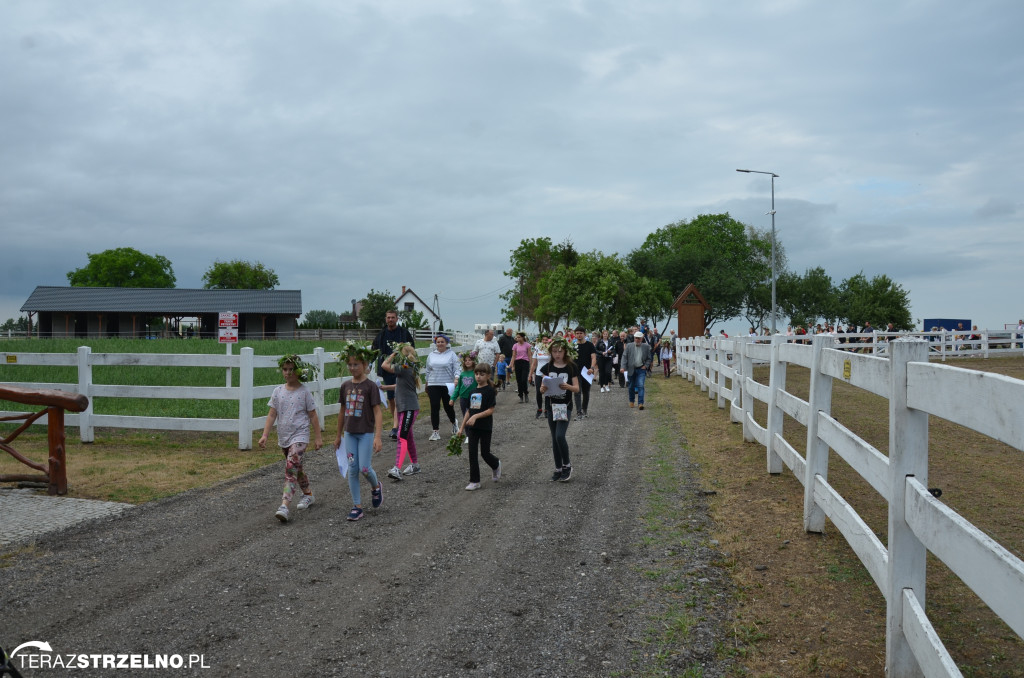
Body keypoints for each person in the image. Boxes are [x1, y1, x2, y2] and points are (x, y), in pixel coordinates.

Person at [259, 354, 323, 523]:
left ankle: (284, 505)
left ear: (299, 371)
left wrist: (318, 437)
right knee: (297, 468)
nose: (287, 373)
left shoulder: (304, 392)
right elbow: (272, 414)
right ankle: (308, 494)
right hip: (284, 437)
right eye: (285, 369)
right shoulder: (278, 391)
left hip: (300, 435)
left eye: (291, 369)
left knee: (290, 468)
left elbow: (313, 416)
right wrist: (265, 435)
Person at [335, 343, 384, 522]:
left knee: (364, 468)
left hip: (365, 433)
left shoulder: (370, 387)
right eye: (350, 364)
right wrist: (337, 435)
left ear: (364, 365)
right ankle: (357, 506)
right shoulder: (345, 386)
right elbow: (342, 411)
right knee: (353, 469)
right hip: (350, 433)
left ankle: (376, 486)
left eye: (356, 364)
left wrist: (378, 437)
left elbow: (378, 412)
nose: (352, 367)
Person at [539, 337, 580, 482]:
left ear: (565, 352)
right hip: (551, 406)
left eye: (560, 351)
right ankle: (558, 467)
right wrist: (542, 389)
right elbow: (542, 387)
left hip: (565, 406)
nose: (557, 354)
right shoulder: (547, 368)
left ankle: (567, 465)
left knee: (560, 436)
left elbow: (576, 388)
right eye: (554, 351)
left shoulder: (571, 367)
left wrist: (567, 387)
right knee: (554, 438)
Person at [380, 343, 421, 480]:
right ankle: (415, 465)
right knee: (407, 436)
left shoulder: (404, 367)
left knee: (401, 436)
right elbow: (400, 385)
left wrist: (393, 355)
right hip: (404, 407)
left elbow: (384, 365)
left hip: (409, 407)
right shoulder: (408, 368)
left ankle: (397, 468)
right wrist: (384, 387)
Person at [371, 310, 414, 440]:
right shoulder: (382, 334)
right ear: (386, 319)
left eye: (392, 318)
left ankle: (397, 426)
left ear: (397, 318)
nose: (390, 320)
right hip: (387, 369)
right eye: (388, 317)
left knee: (398, 396)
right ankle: (398, 423)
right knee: (391, 398)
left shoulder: (403, 333)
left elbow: (412, 348)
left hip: (401, 368)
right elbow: (374, 350)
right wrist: (369, 364)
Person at [456, 363, 500, 490]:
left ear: (488, 376)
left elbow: (491, 410)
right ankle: (475, 481)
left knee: (485, 453)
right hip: (472, 428)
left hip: (485, 427)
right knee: (472, 453)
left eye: (482, 374)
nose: (478, 377)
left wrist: (476, 417)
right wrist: (461, 428)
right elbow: (468, 411)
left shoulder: (489, 391)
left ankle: (496, 464)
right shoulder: (473, 392)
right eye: (476, 374)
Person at [425, 334, 460, 441]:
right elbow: (428, 370)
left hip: (448, 384)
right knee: (434, 407)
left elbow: (457, 368)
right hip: (433, 384)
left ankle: (454, 423)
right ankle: (435, 431)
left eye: (442, 342)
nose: (440, 344)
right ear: (435, 343)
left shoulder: (452, 354)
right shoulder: (431, 355)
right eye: (438, 342)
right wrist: (426, 383)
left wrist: (456, 378)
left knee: (448, 407)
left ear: (446, 343)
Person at [622, 330, 652, 410]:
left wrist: (646, 366)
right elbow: (624, 357)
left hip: (641, 369)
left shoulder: (646, 347)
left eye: (639, 338)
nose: (637, 340)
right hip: (631, 368)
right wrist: (623, 367)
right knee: (631, 386)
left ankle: (640, 403)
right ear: (634, 338)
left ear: (641, 339)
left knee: (641, 385)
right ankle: (631, 400)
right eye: (636, 338)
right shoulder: (629, 346)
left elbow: (649, 358)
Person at [572, 326, 597, 419]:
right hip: (576, 372)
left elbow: (593, 357)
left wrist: (592, 367)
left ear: (584, 334)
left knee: (586, 391)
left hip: (587, 372)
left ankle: (584, 409)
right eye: (577, 333)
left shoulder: (590, 345)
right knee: (577, 391)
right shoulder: (573, 346)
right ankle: (579, 411)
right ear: (575, 334)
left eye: (580, 333)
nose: (579, 335)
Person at [528, 332, 551, 419]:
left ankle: (547, 409)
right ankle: (539, 408)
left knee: (548, 392)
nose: (545, 341)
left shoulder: (551, 349)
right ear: (541, 340)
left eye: (546, 340)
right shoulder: (537, 349)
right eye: (543, 340)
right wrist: (530, 375)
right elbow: (534, 364)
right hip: (538, 373)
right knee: (538, 392)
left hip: (548, 373)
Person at [510, 332, 532, 403]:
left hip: (525, 362)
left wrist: (531, 365)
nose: (517, 338)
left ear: (523, 337)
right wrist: (512, 365)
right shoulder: (515, 345)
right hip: (518, 362)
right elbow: (513, 356)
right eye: (517, 337)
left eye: (519, 337)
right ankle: (521, 395)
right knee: (519, 380)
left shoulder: (527, 345)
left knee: (523, 380)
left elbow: (529, 355)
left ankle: (526, 393)